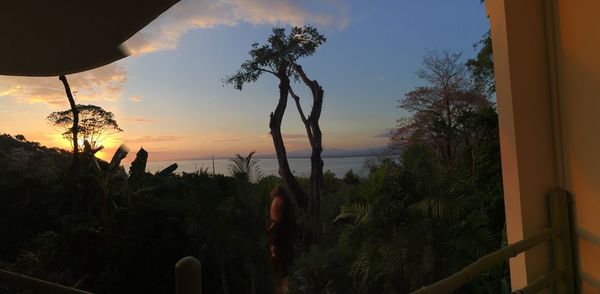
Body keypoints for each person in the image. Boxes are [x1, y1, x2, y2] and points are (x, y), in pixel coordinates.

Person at [268, 185, 296, 294]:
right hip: (283, 251)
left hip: (283, 253)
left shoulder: (278, 203)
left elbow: (276, 227)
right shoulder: (282, 204)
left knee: (283, 280)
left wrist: (274, 248)